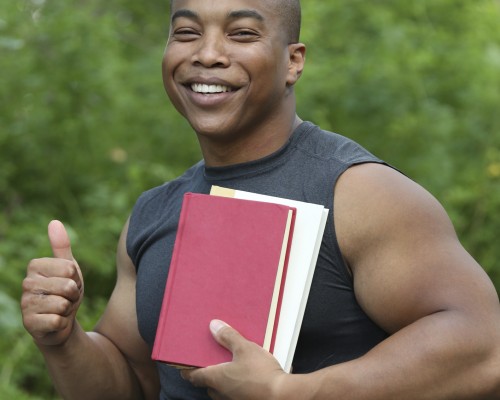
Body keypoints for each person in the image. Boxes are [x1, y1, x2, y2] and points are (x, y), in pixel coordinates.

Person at [21, 0, 500, 399]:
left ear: (293, 61)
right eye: (186, 32)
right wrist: (64, 340)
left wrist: (289, 392)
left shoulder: (359, 193)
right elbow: (133, 384)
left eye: (242, 34)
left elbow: (484, 348)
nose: (207, 54)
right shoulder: (155, 212)